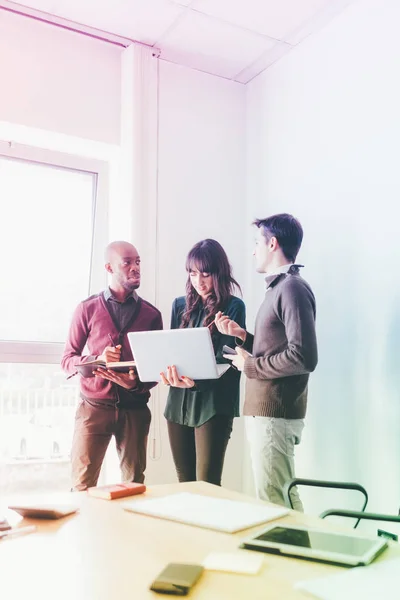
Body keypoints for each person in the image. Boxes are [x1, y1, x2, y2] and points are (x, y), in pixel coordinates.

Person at [215, 214, 317, 510]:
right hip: (267, 413)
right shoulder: (280, 288)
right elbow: (277, 345)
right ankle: (298, 557)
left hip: (275, 413)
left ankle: (294, 557)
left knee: (275, 500)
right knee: (279, 496)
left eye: (257, 242)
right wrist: (242, 336)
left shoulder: (292, 288)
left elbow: (304, 356)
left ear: (272, 244)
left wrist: (249, 366)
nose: (253, 250)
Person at [61, 241, 163, 491]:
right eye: (127, 262)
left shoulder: (152, 314)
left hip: (135, 410)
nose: (135, 268)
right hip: (93, 410)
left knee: (134, 486)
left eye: (137, 261)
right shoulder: (87, 309)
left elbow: (156, 367)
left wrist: (136, 384)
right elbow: (68, 360)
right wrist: (97, 359)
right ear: (109, 267)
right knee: (81, 486)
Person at [160, 239, 245, 486]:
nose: (199, 281)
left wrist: (194, 382)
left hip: (214, 405)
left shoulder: (234, 307)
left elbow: (228, 359)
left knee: (208, 484)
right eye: (193, 273)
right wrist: (169, 372)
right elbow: (172, 351)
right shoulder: (179, 305)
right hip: (178, 404)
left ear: (219, 273)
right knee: (184, 483)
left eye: (205, 274)